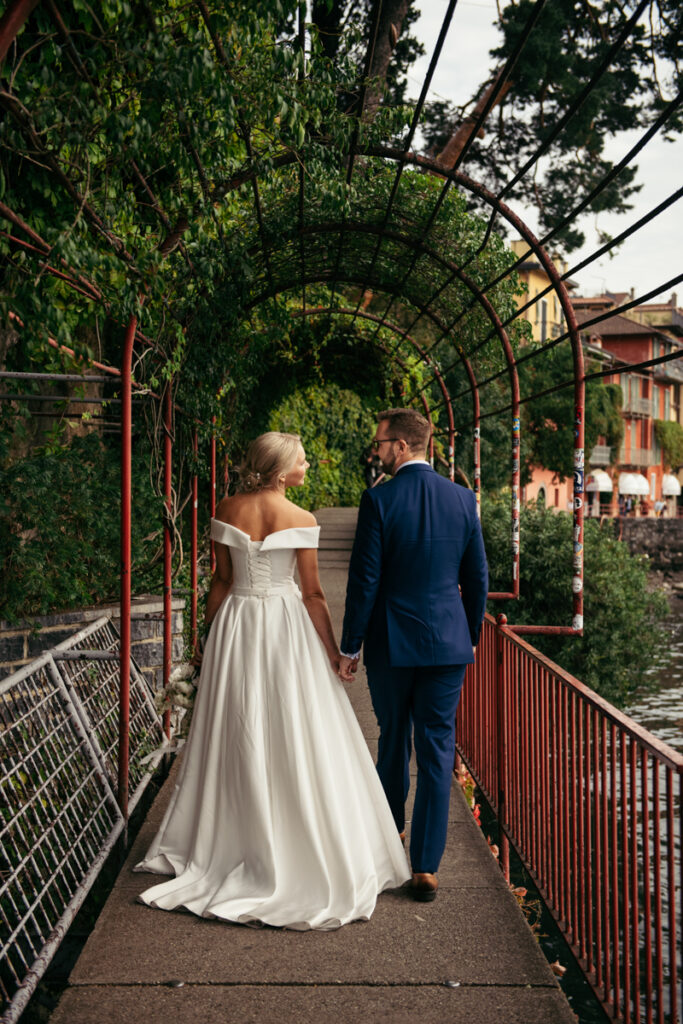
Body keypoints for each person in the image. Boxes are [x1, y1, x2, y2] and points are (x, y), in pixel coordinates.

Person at [135, 431, 410, 929]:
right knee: (294, 725)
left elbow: (220, 580)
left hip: (236, 624)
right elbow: (312, 595)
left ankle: (231, 836)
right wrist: (333, 652)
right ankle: (290, 835)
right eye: (303, 459)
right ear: (283, 471)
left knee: (234, 726)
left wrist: (205, 639)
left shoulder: (226, 507)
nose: (309, 464)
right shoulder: (301, 519)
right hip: (285, 628)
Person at [338, 409, 488, 903]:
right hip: (448, 644)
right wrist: (468, 637)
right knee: (437, 748)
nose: (376, 450)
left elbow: (364, 582)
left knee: (393, 740)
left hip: (390, 642)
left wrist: (350, 646)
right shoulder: (464, 500)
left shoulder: (379, 500)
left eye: (380, 442)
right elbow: (478, 579)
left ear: (401, 446)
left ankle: (388, 843)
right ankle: (425, 866)